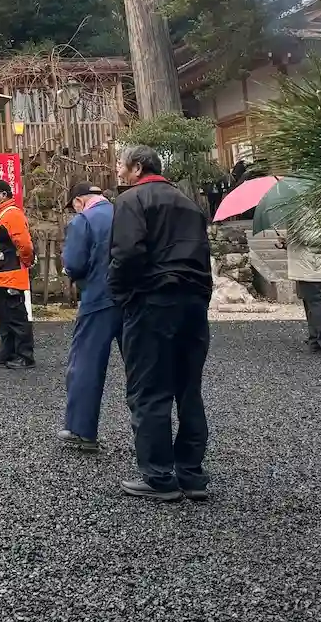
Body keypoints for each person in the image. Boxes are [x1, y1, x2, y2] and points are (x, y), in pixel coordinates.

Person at [109, 145, 214, 502]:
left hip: (152, 300)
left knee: (150, 389)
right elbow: (204, 257)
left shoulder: (131, 200)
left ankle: (158, 476)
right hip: (193, 301)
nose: (118, 171)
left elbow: (126, 255)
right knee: (188, 389)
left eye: (121, 165)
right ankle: (191, 473)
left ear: (137, 168)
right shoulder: (189, 203)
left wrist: (120, 294)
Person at [59, 182, 118, 453]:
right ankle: (152, 441)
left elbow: (74, 263)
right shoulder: (124, 213)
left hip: (98, 297)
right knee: (140, 367)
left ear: (78, 201)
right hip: (133, 300)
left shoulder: (84, 220)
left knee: (86, 363)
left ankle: (82, 431)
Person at [0, 179, 35, 368]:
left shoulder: (11, 215)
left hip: (9, 273)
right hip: (0, 274)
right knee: (4, 316)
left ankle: (25, 356)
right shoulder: (2, 215)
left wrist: (26, 261)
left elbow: (24, 244)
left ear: (4, 195)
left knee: (16, 317)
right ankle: (8, 352)